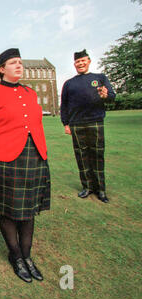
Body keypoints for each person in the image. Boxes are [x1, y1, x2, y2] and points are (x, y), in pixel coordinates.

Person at [0, 48, 51, 283]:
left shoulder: (30, 93)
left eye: (20, 62)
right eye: (13, 63)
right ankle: (16, 256)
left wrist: (42, 152)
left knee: (28, 208)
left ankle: (27, 256)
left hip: (33, 155)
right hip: (3, 158)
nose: (19, 66)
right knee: (7, 208)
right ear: (1, 69)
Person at [60, 49, 115, 203]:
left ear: (89, 61)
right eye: (78, 62)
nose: (80, 63)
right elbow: (64, 105)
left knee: (97, 155)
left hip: (95, 121)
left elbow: (111, 96)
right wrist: (66, 123)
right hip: (76, 124)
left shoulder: (100, 78)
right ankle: (87, 187)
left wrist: (106, 95)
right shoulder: (69, 83)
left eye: (83, 60)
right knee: (82, 156)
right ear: (74, 64)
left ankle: (101, 190)